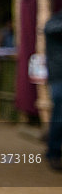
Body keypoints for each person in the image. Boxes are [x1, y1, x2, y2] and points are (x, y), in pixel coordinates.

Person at [43, 9, 62, 171]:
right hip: (59, 77)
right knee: (59, 116)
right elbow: (50, 29)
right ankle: (53, 152)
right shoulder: (55, 22)